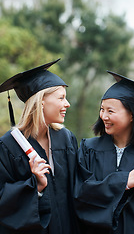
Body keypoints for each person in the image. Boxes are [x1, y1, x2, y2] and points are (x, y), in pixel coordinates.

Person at [74, 71, 134, 234]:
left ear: (132, 115)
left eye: (110, 111)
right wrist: (123, 182)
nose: (103, 116)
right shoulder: (89, 150)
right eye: (102, 109)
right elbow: (81, 194)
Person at [0, 59, 80, 234]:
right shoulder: (8, 146)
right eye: (61, 98)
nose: (67, 104)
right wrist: (34, 186)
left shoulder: (67, 139)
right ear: (41, 102)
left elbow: (81, 189)